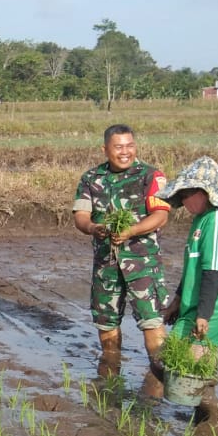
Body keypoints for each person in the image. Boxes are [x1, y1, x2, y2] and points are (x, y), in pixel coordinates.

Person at [72, 124, 171, 389]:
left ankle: (160, 384)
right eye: (118, 147)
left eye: (129, 146)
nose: (125, 152)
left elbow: (160, 215)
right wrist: (94, 227)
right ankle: (110, 382)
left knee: (151, 322)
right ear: (105, 149)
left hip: (143, 264)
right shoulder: (91, 178)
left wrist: (131, 230)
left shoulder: (151, 176)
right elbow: (80, 216)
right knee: (106, 324)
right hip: (106, 265)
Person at [158, 156, 218, 423]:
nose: (183, 202)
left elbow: (213, 273)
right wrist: (176, 301)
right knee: (176, 360)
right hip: (193, 304)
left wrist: (204, 315)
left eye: (186, 195)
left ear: (204, 192)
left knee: (191, 363)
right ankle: (205, 412)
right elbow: (193, 268)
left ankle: (216, 414)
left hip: (213, 306)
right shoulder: (200, 220)